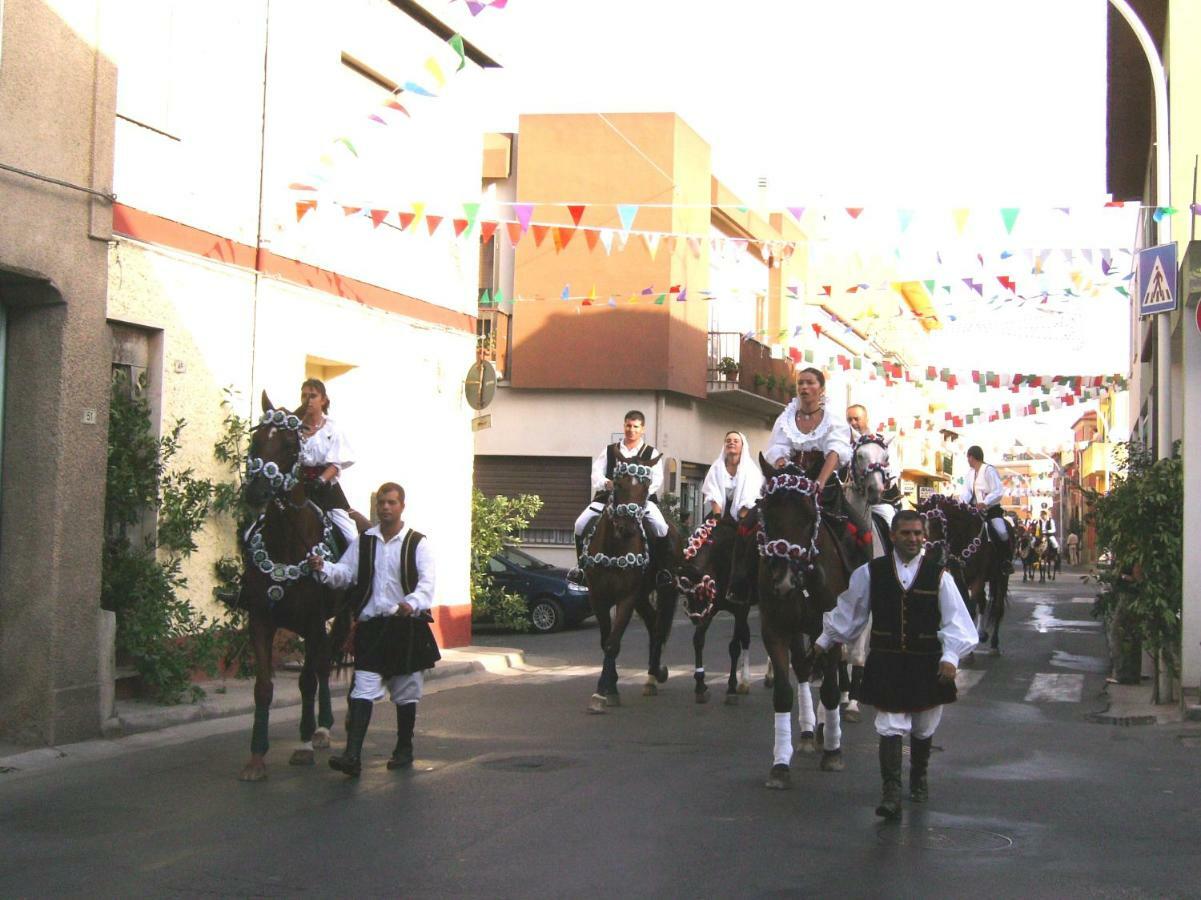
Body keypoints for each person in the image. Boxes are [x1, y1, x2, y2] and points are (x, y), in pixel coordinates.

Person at [815, 510, 978, 819]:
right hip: (887, 662)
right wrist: (824, 641)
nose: (913, 538)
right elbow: (851, 612)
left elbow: (957, 622)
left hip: (926, 663)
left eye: (918, 533)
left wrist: (950, 657)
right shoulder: (870, 573)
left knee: (923, 726)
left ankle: (918, 776)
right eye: (906, 533)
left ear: (924, 536)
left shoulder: (940, 576)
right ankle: (891, 792)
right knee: (890, 726)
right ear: (892, 536)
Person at [310, 482, 439, 778]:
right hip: (372, 628)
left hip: (406, 628)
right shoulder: (364, 541)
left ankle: (404, 749)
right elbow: (345, 573)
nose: (385, 507)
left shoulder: (418, 543)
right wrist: (324, 567)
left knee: (406, 693)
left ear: (402, 506)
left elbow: (427, 585)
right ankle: (352, 756)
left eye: (392, 502)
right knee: (362, 690)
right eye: (382, 502)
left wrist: (412, 603)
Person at [570, 410, 671, 585]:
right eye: (628, 426)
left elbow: (657, 480)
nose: (631, 430)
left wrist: (638, 495)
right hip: (608, 499)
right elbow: (596, 474)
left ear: (642, 429)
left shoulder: (651, 453)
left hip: (640, 502)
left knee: (661, 527)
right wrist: (606, 483)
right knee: (579, 524)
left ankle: (662, 570)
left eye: (636, 427)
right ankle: (581, 568)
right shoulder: (610, 451)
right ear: (624, 426)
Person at [764, 368, 852, 502]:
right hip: (790, 482)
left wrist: (819, 484)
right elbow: (778, 447)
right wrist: (784, 474)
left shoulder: (833, 418)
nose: (804, 387)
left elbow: (835, 451)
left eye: (810, 383)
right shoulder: (786, 418)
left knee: (853, 521)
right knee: (756, 517)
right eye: (800, 383)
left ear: (821, 389)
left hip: (824, 484)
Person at [296, 378, 361, 551]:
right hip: (296, 487)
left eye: (313, 396)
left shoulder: (333, 429)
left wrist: (320, 481)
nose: (307, 400)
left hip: (324, 490)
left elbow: (335, 463)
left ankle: (352, 571)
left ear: (323, 400)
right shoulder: (293, 427)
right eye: (304, 395)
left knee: (351, 536)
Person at [958, 445, 1013, 574]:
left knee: (1002, 531)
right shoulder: (970, 473)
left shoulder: (989, 470)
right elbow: (966, 492)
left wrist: (985, 502)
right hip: (973, 512)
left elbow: (998, 491)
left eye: (968, 457)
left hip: (991, 511)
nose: (967, 460)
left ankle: (1006, 560)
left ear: (972, 457)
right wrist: (962, 503)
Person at [700, 431, 762, 523]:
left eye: (735, 441)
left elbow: (750, 496)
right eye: (728, 441)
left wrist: (741, 521)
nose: (731, 443)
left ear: (742, 446)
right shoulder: (716, 468)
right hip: (719, 514)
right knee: (703, 534)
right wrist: (718, 519)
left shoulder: (751, 470)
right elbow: (712, 493)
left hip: (745, 515)